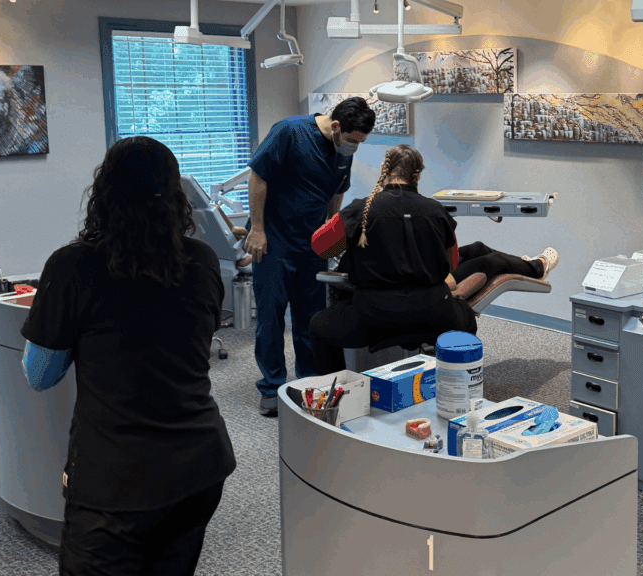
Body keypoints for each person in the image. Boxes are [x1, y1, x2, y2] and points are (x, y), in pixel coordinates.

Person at [20, 136, 236, 576]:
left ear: (103, 194)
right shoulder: (202, 260)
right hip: (199, 464)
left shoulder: (71, 266)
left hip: (113, 479)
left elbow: (39, 374)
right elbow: (196, 338)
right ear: (177, 196)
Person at [308, 144, 559, 375]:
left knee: (319, 326)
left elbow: (321, 247)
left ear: (383, 170)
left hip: (375, 318)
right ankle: (460, 386)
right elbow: (450, 265)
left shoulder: (360, 209)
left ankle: (336, 400)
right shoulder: (436, 210)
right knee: (466, 319)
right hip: (435, 313)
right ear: (417, 176)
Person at [242, 97, 376, 416]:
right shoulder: (289, 132)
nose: (354, 147)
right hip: (274, 241)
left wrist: (332, 236)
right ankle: (272, 386)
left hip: (312, 245)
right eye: (351, 140)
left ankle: (308, 382)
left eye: (360, 143)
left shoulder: (344, 150)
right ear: (335, 126)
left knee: (311, 316)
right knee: (271, 317)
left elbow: (337, 192)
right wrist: (257, 229)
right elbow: (257, 177)